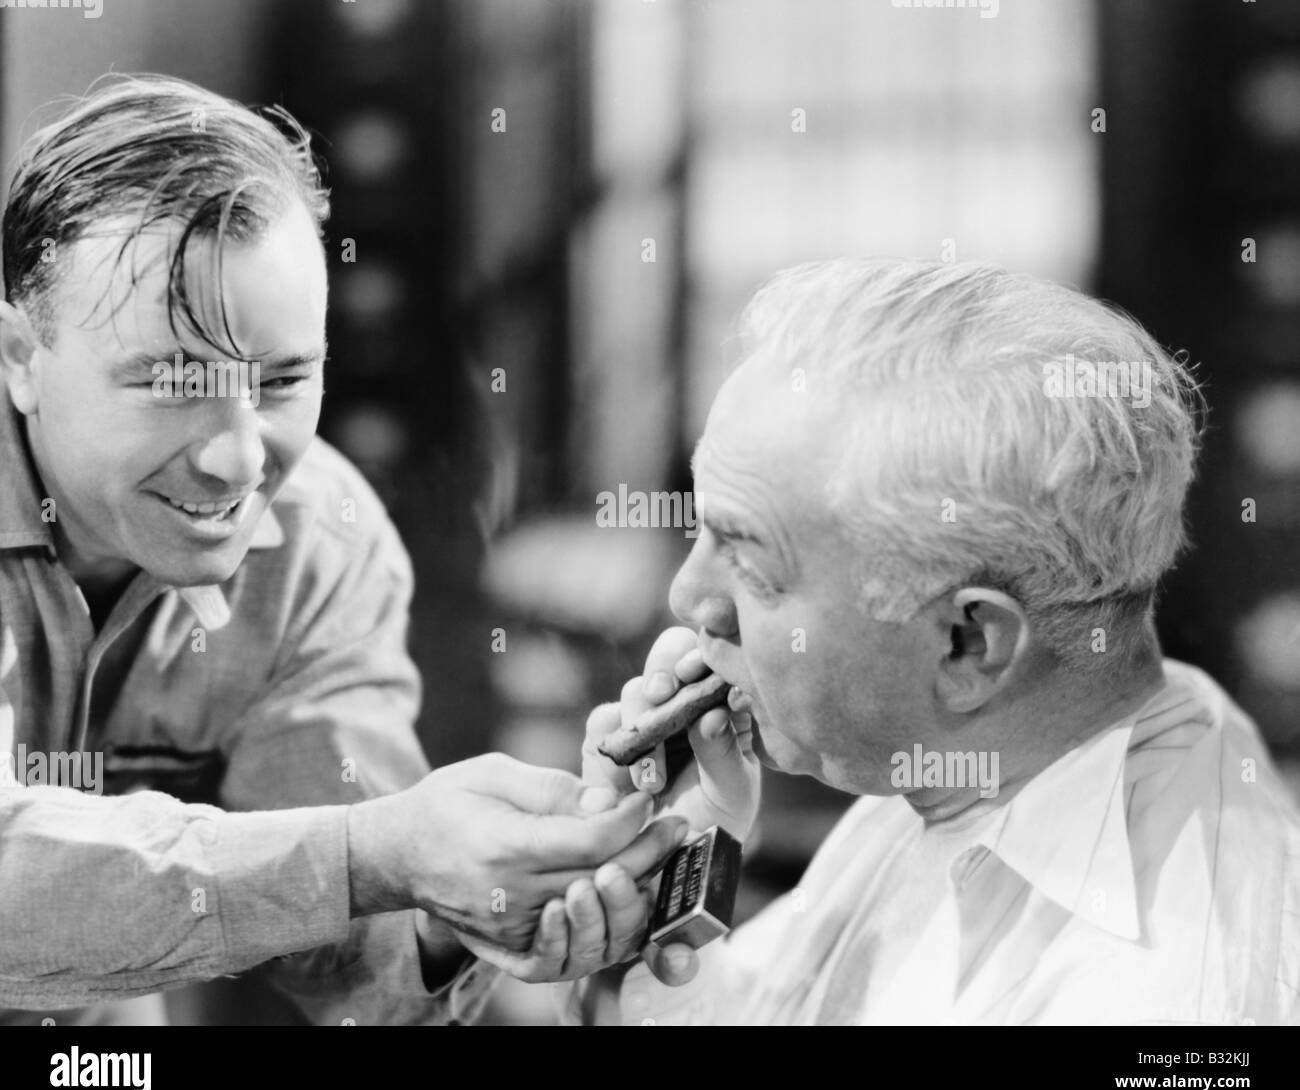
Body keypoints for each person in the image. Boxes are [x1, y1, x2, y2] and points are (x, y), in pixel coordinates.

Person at [0, 74, 684, 1026]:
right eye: (170, 382)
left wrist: (475, 907)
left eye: (283, 380)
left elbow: (363, 960)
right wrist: (372, 853)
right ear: (19, 358)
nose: (239, 457)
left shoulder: (320, 540)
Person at [562, 258, 1300, 1025]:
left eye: (749, 560)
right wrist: (679, 878)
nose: (689, 598)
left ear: (967, 645)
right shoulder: (957, 763)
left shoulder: (1165, 1002)